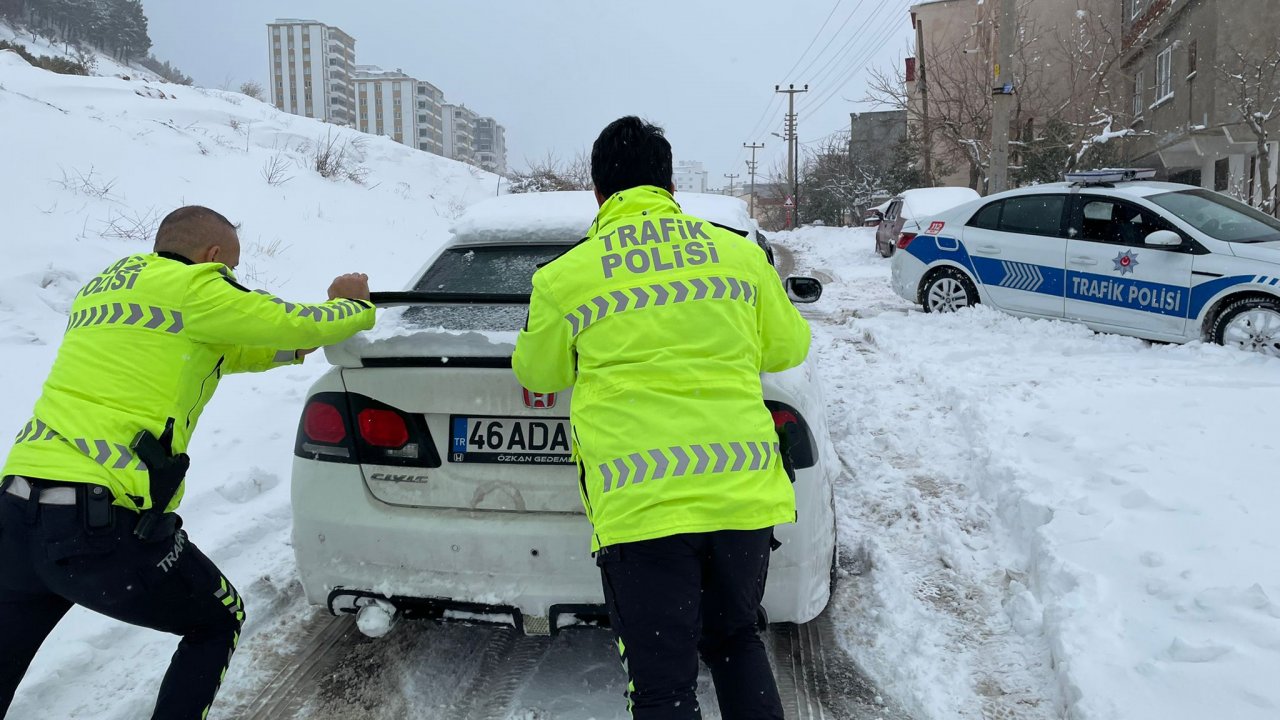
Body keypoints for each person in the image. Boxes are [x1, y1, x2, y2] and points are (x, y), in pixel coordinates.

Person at [0, 206, 376, 719]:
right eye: (231, 269)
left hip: (17, 514)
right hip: (97, 522)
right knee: (217, 620)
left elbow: (237, 344)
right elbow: (292, 319)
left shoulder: (106, 288)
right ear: (214, 256)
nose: (230, 280)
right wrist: (351, 305)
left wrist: (292, 347)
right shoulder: (197, 286)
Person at [513, 117, 811, 720]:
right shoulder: (740, 257)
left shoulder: (566, 277)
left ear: (598, 192)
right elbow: (787, 349)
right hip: (741, 497)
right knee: (735, 641)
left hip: (642, 509)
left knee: (662, 689)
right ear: (670, 187)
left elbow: (539, 374)